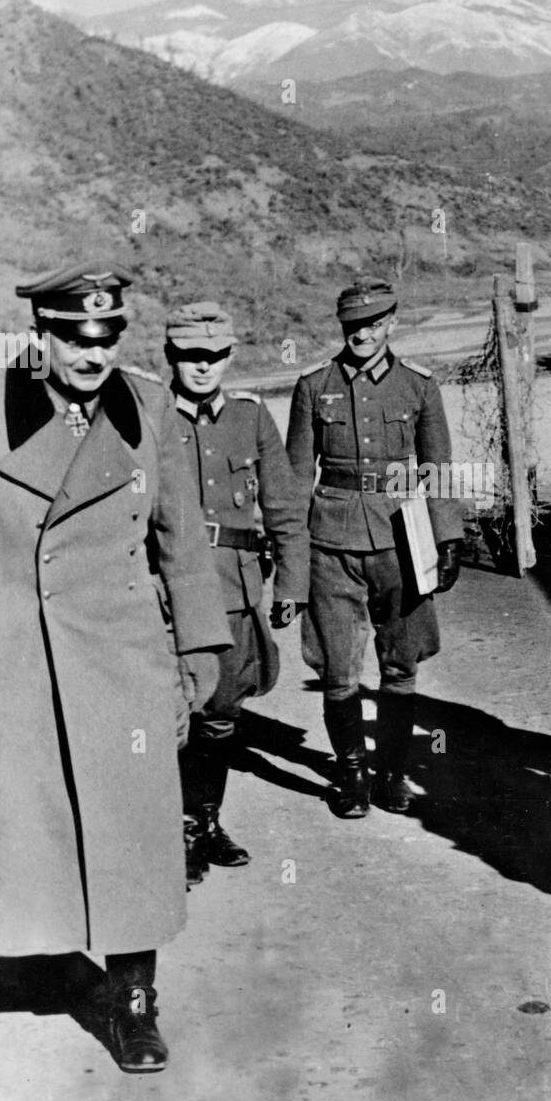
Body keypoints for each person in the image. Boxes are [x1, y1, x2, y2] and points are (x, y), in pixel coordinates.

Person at [0, 263, 231, 1073]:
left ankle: (135, 1001)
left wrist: (197, 654)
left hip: (122, 657)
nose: (92, 353)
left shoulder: (148, 409)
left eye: (107, 336)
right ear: (41, 335)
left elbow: (183, 543)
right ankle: (40, 959)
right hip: (14, 660)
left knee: (137, 828)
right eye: (75, 337)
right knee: (24, 826)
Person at [286, 277, 463, 819]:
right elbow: (295, 479)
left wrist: (448, 534)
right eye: (352, 325)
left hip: (400, 540)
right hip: (331, 542)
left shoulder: (418, 386)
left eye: (372, 323)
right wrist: (290, 558)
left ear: (391, 323)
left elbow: (438, 469)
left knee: (401, 664)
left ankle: (392, 774)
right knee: (338, 668)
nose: (361, 333)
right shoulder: (315, 385)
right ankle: (352, 776)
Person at [164, 302, 310, 885]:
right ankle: (168, 834)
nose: (203, 366)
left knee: (221, 715)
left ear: (228, 357)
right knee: (171, 715)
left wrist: (292, 582)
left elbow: (284, 507)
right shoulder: (148, 419)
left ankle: (205, 822)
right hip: (166, 593)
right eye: (191, 356)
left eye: (214, 355)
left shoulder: (250, 417)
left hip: (234, 589)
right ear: (171, 356)